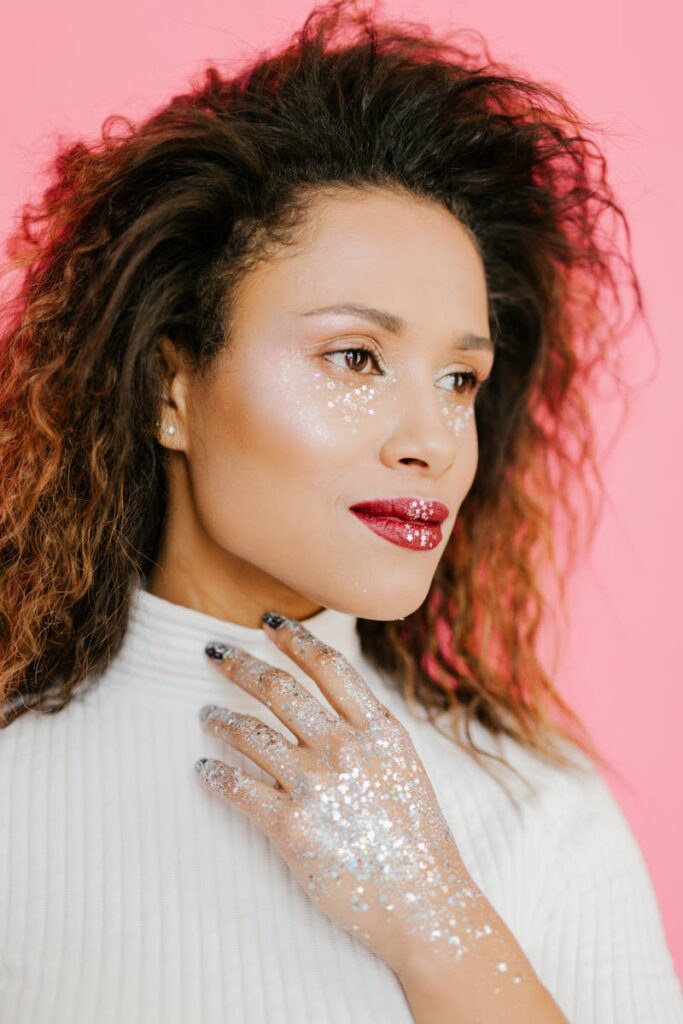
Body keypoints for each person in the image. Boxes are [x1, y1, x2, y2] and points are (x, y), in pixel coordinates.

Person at [0, 0, 681, 1021]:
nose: (432, 439)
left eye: (459, 379)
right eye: (354, 358)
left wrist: (436, 919)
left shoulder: (536, 810)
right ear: (167, 390)